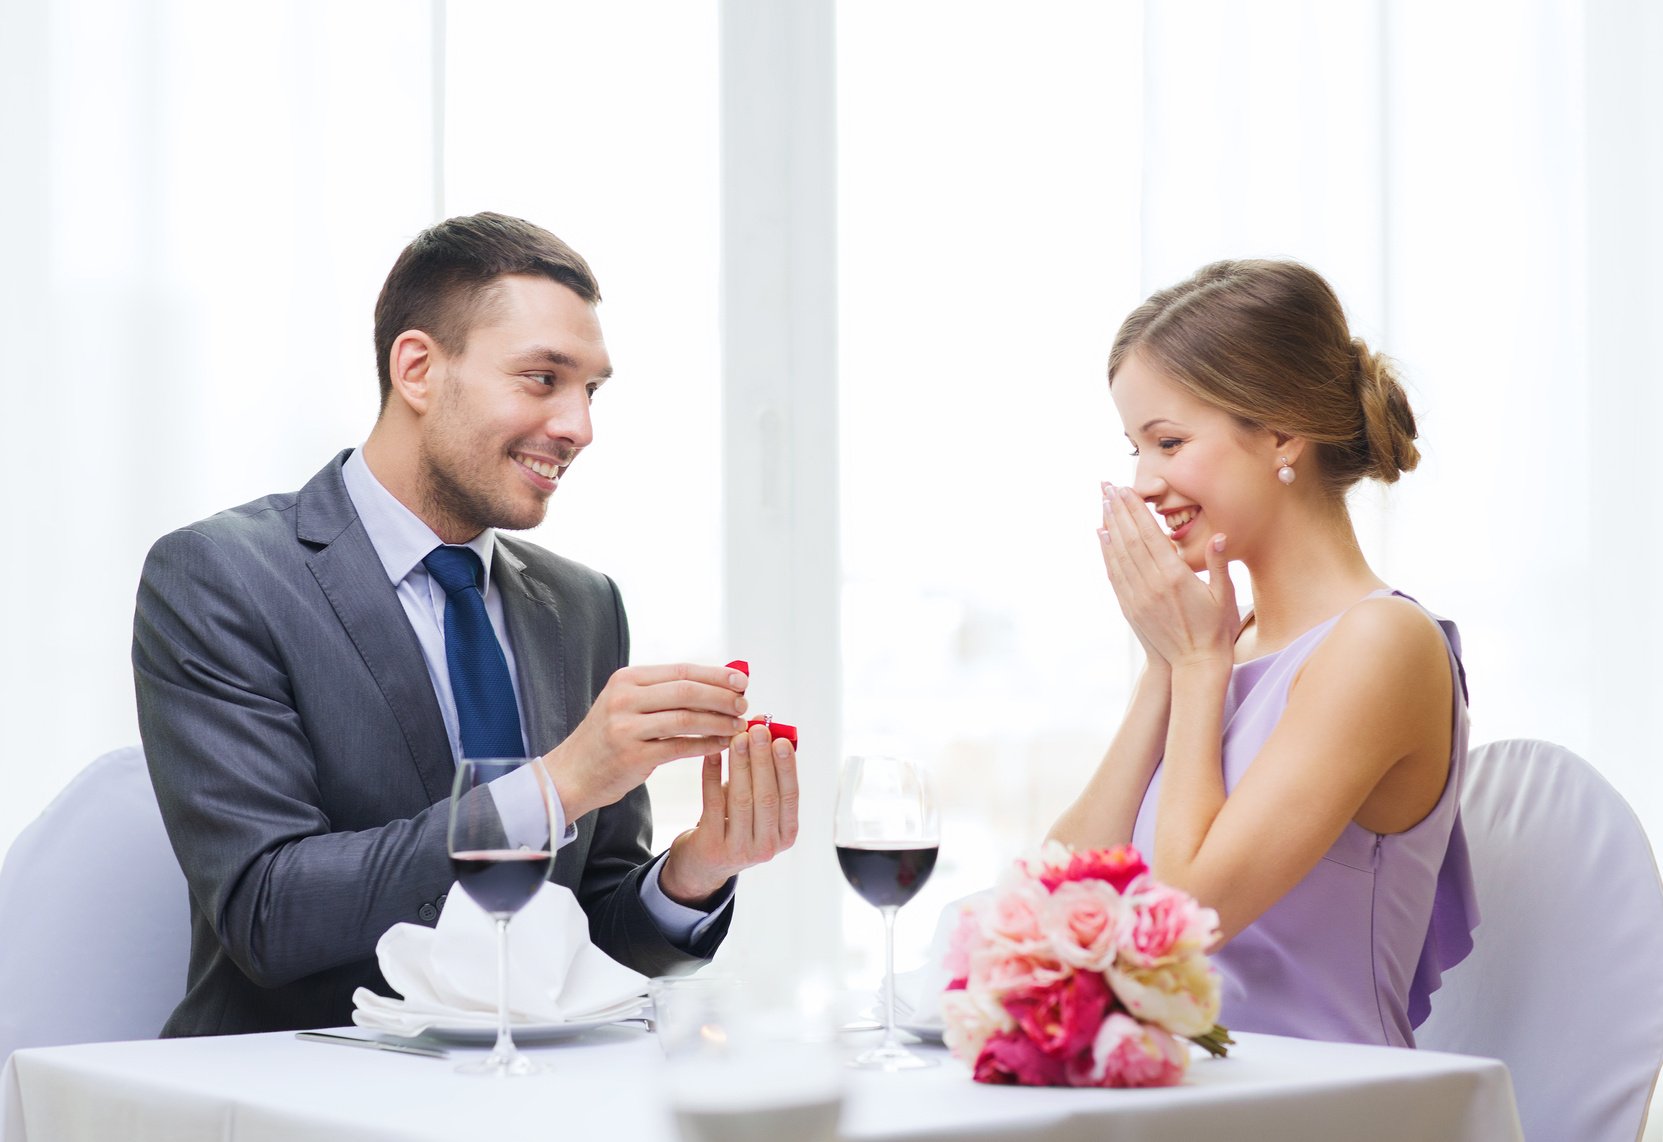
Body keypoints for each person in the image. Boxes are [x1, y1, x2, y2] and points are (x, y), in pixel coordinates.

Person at [132, 212, 799, 1037]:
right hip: (296, 1087)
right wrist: (564, 782)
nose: (579, 427)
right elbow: (269, 914)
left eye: (591, 390)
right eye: (542, 378)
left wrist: (697, 872)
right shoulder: (222, 576)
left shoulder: (585, 605)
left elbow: (587, 932)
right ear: (416, 368)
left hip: (530, 1092)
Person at [1049, 259, 1475, 1048]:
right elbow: (1050, 900)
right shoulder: (1216, 644)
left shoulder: (1381, 643)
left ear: (1282, 433)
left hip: (1318, 1108)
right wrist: (1164, 669)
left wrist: (1197, 670)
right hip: (1179, 1097)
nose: (1143, 483)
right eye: (1134, 450)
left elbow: (1179, 919)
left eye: (1168, 442)